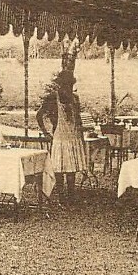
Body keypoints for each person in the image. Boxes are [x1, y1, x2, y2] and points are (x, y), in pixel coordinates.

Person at [36, 70, 90, 199]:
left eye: (70, 85)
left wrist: (81, 130)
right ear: (60, 85)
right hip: (60, 137)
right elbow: (39, 115)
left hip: (73, 136)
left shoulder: (75, 98)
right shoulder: (53, 98)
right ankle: (60, 195)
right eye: (65, 85)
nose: (68, 88)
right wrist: (45, 132)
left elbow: (77, 118)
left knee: (72, 168)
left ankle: (71, 195)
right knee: (59, 167)